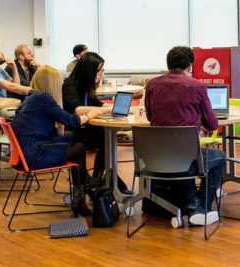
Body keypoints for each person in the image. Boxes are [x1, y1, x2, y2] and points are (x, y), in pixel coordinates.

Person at [144, 46, 224, 227]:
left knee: (185, 158)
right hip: (187, 157)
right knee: (218, 157)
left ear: (168, 64)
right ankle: (199, 207)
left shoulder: (152, 85)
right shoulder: (197, 86)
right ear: (190, 65)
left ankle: (193, 206)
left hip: (157, 157)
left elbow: (150, 117)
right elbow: (212, 125)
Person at [12, 65, 103, 217]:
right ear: (52, 83)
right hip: (34, 154)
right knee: (79, 146)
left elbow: (60, 127)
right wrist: (91, 114)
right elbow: (72, 121)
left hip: (25, 152)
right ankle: (83, 187)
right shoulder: (43, 98)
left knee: (75, 138)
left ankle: (81, 192)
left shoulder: (31, 98)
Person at [61, 52, 130, 194]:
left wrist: (111, 107)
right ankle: (97, 180)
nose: (101, 75)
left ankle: (97, 179)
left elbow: (97, 103)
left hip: (83, 130)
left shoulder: (86, 86)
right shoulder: (70, 85)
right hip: (72, 132)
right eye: (100, 71)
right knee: (104, 139)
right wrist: (102, 109)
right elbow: (78, 109)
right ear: (89, 70)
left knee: (107, 139)